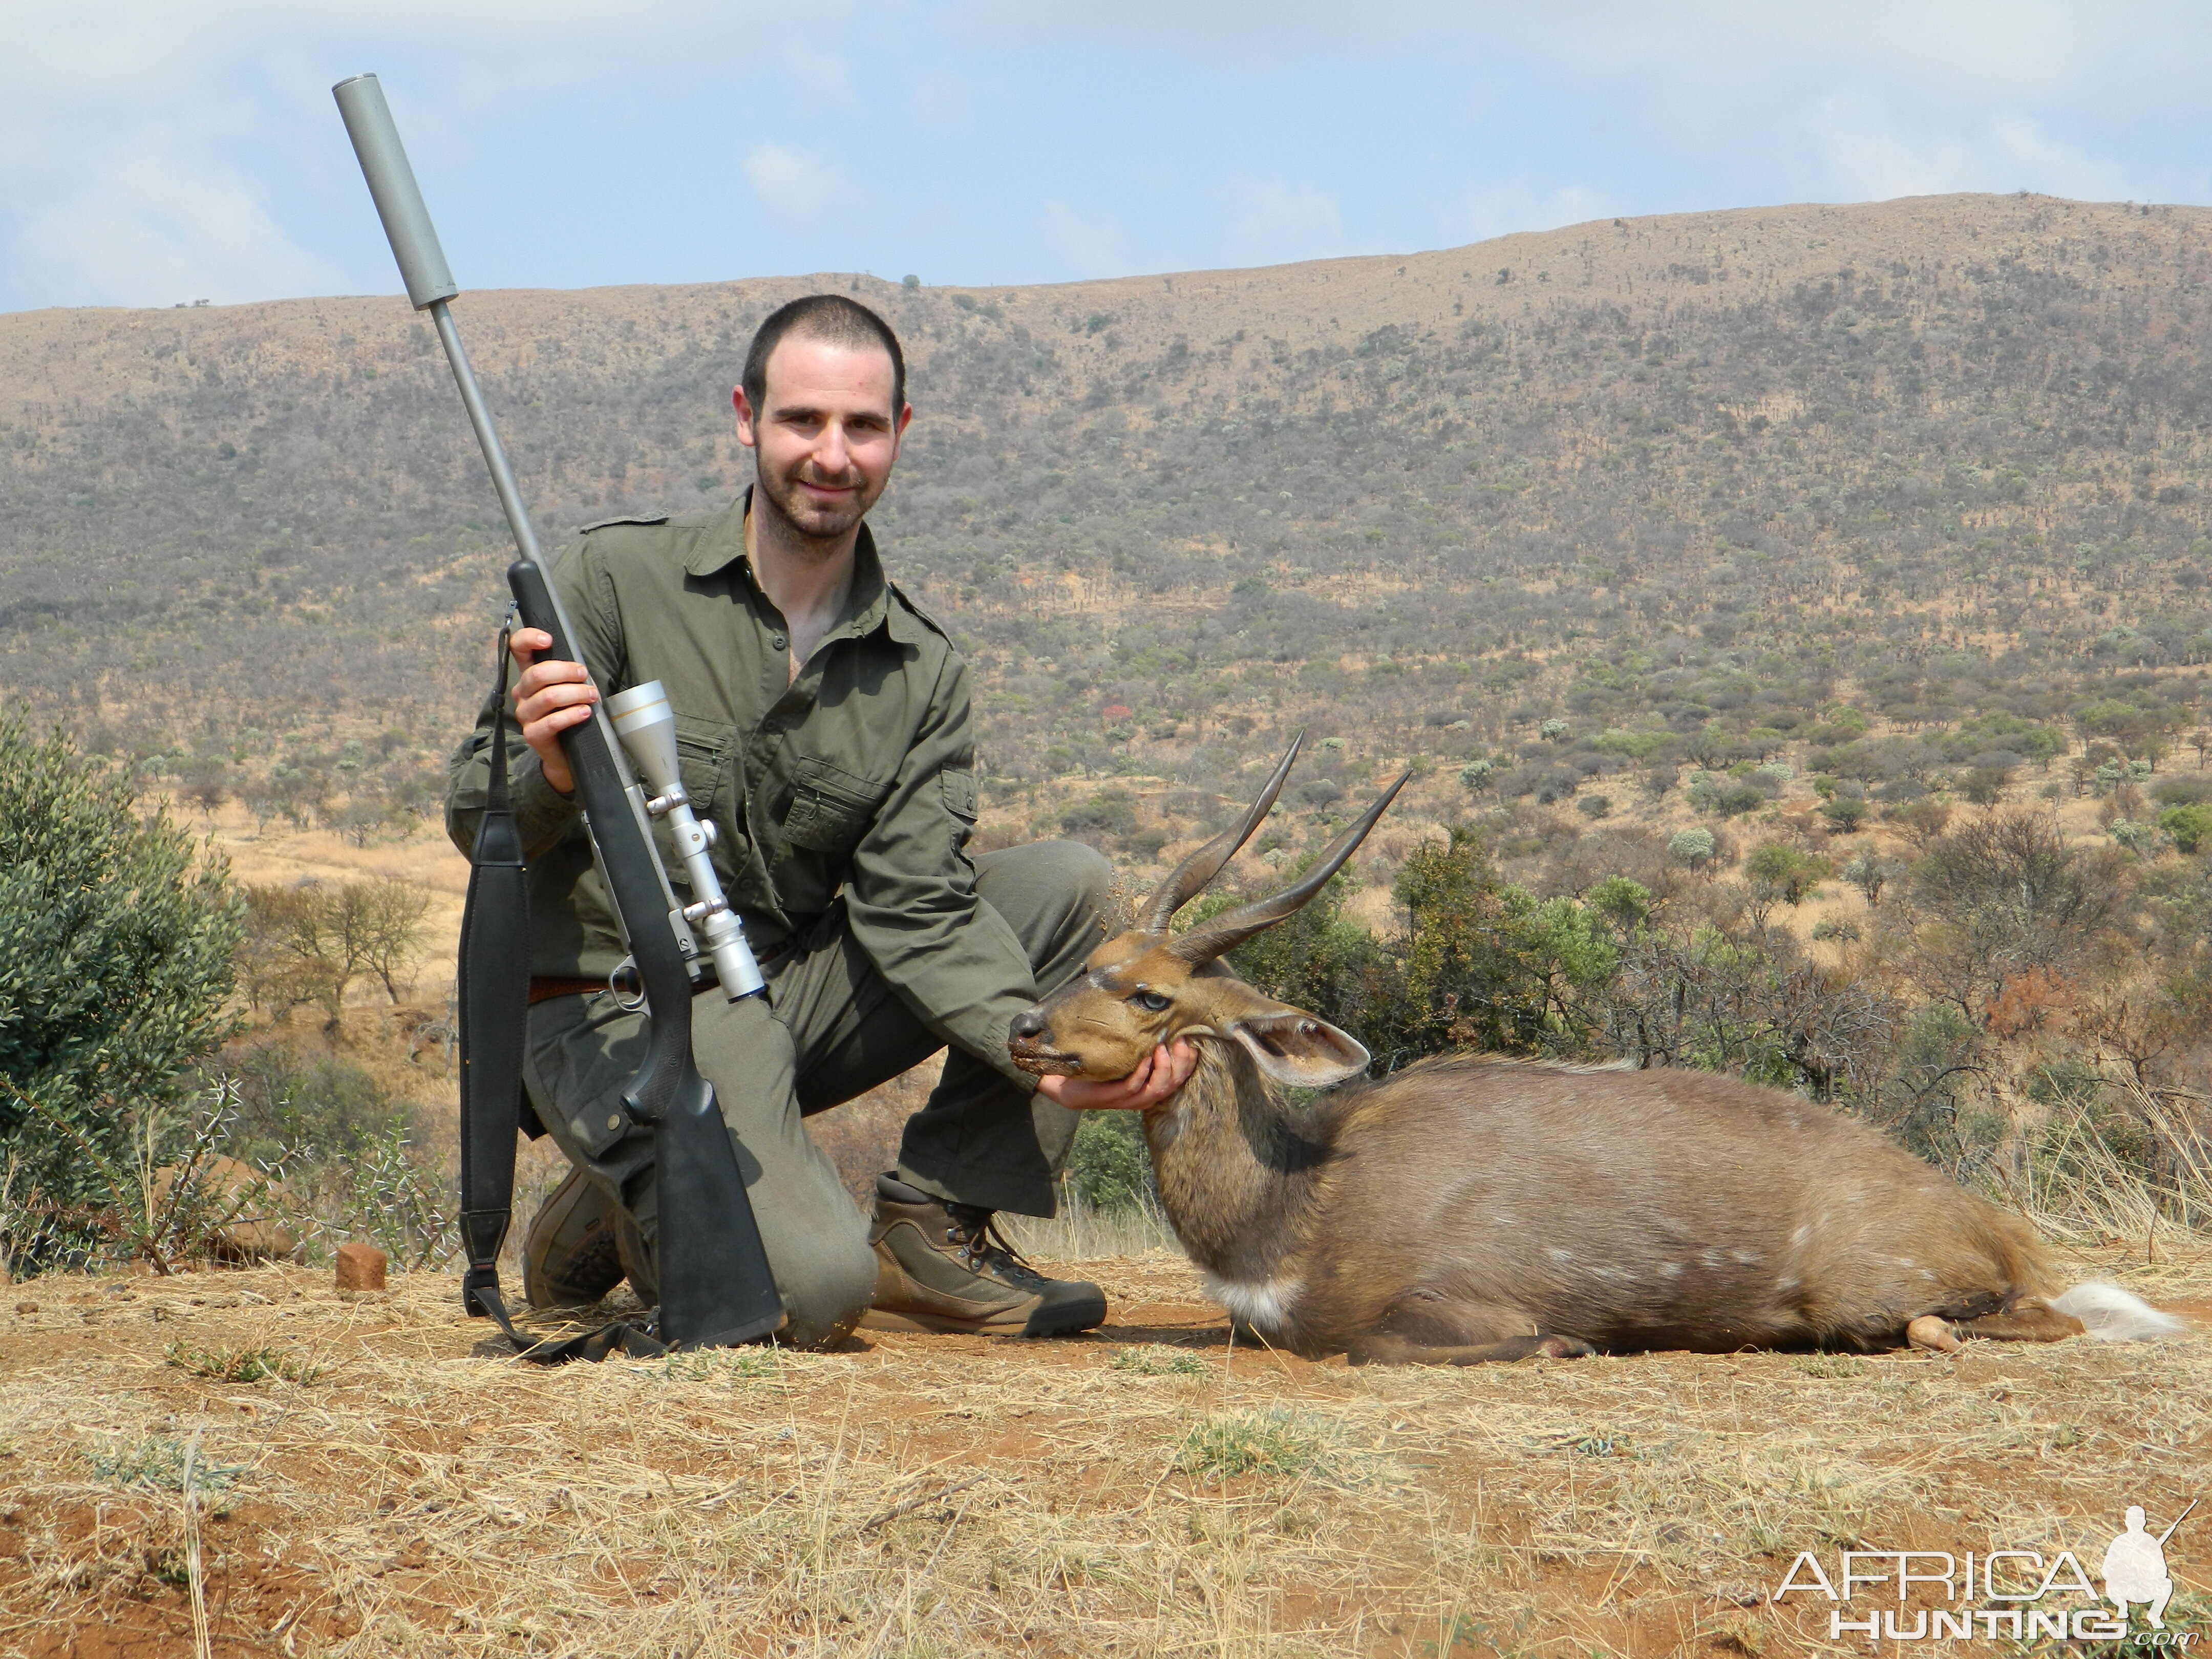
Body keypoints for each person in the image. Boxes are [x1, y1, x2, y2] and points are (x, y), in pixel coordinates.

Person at [445, 295, 1193, 1348]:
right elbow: (469, 822)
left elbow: (922, 910)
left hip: (776, 1004)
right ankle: (615, 1204)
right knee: (813, 1296)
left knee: (1068, 886)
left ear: (901, 436)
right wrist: (552, 773)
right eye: (803, 421)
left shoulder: (924, 669)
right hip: (613, 1010)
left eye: (863, 427)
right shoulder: (609, 581)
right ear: (747, 418)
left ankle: (932, 1226)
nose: (831, 455)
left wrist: (1050, 1051)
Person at [2101, 1506, 2176, 1628]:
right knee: (2111, 1583)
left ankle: (2154, 1616)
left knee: (2167, 1584)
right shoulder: (2120, 1541)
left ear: (2144, 1523)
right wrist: (2123, 1570)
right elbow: (2106, 1570)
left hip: (2144, 1588)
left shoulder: (2151, 1542)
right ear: (2127, 1523)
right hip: (2123, 1588)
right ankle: (2122, 1606)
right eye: (2132, 1521)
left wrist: (2147, 1571)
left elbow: (2162, 1571)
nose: (2135, 1524)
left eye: (2138, 1521)